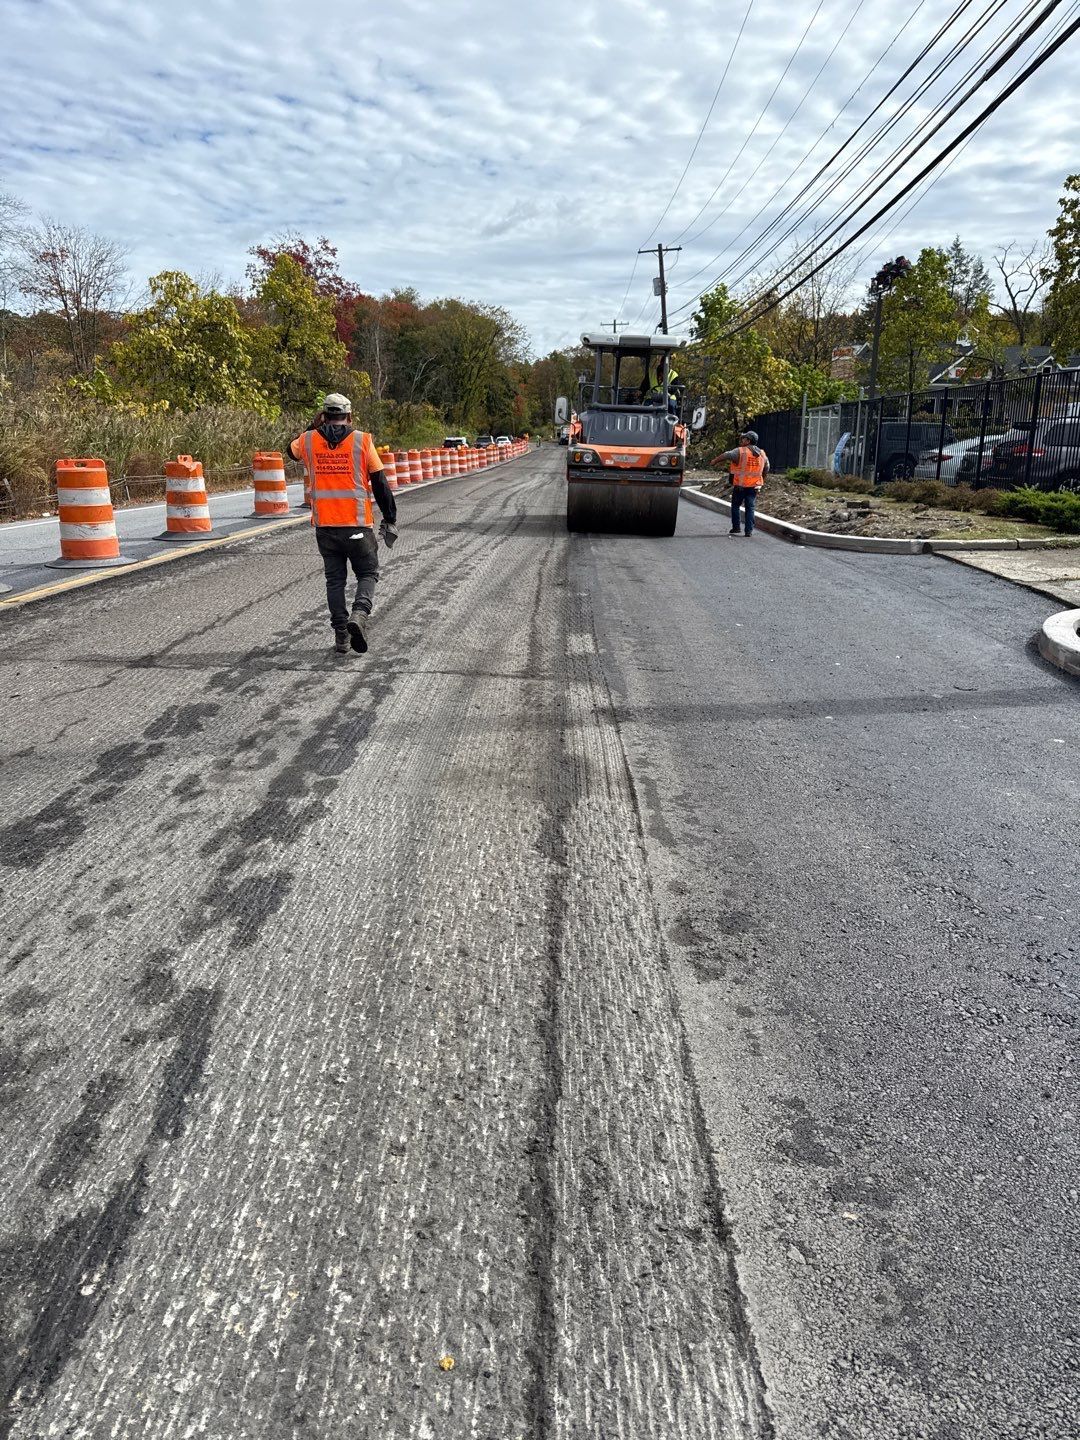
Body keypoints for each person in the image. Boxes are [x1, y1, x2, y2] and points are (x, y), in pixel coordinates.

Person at [287, 393, 398, 655]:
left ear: (324, 415)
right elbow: (380, 484)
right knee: (368, 573)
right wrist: (390, 517)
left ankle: (340, 636)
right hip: (357, 525)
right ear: (349, 416)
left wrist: (312, 426)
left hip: (325, 527)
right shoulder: (362, 440)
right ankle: (359, 614)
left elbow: (290, 451)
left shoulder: (308, 440)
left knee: (334, 580)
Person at [710, 431, 769, 537]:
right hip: (754, 486)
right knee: (750, 507)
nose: (742, 440)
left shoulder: (740, 451)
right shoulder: (762, 454)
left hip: (740, 486)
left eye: (744, 438)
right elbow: (766, 468)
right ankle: (748, 531)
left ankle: (736, 527)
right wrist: (761, 479)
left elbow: (726, 455)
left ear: (748, 441)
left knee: (736, 506)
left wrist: (715, 461)